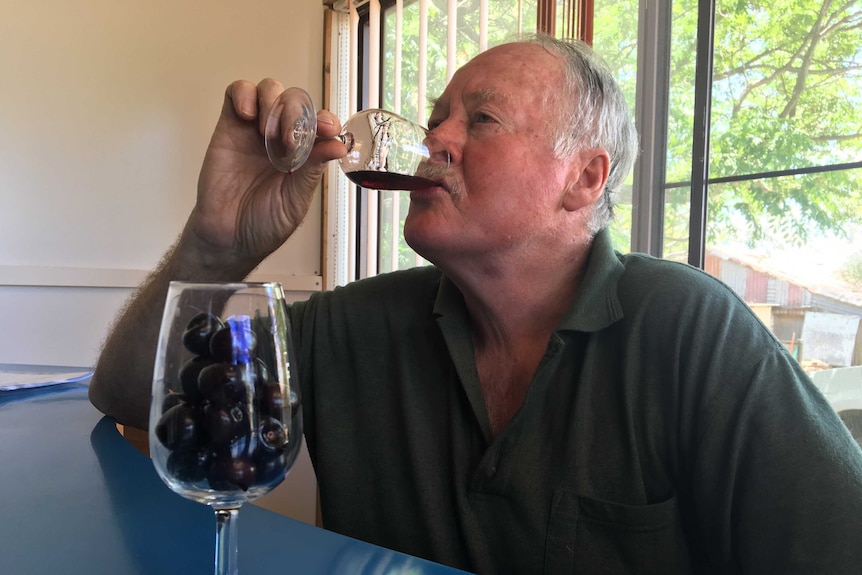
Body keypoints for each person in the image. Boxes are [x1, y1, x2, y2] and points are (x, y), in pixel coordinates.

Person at [89, 34, 862, 574]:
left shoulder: (692, 332)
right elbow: (127, 396)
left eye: (479, 120)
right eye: (435, 121)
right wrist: (217, 242)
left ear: (585, 179)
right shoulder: (353, 327)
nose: (435, 141)